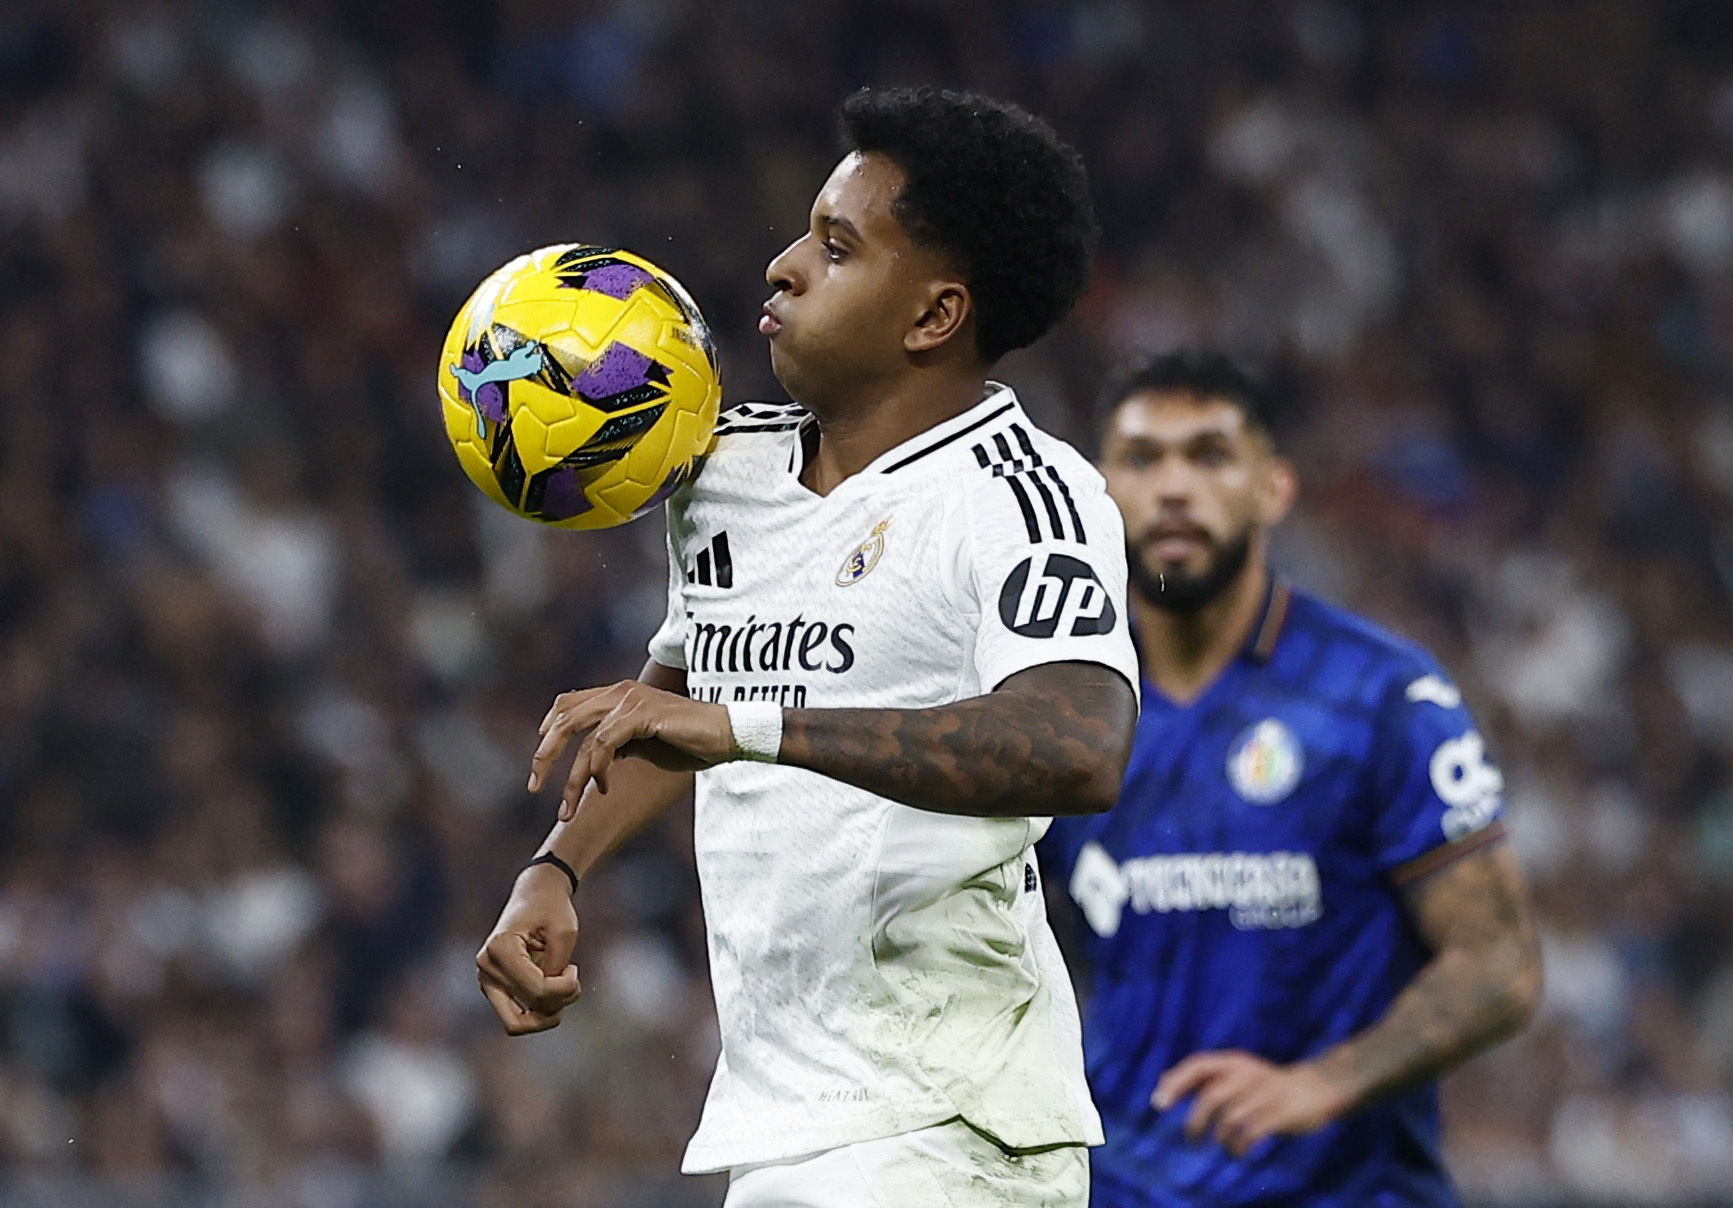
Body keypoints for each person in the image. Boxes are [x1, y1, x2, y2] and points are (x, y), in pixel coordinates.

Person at [475, 86, 1140, 1206]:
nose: (781, 265)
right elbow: (676, 702)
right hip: (786, 1118)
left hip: (947, 1120)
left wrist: (739, 725)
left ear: (933, 316)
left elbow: (1076, 743)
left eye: (834, 248)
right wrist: (557, 865)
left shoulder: (1021, 495)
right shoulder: (723, 477)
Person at [1042, 350, 1543, 1206]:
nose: (1172, 487)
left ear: (1272, 487)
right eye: (1141, 457)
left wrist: (1321, 1082)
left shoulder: (1380, 695)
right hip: (1120, 1184)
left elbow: (1499, 964)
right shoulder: (1064, 706)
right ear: (1096, 494)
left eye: (1207, 455)